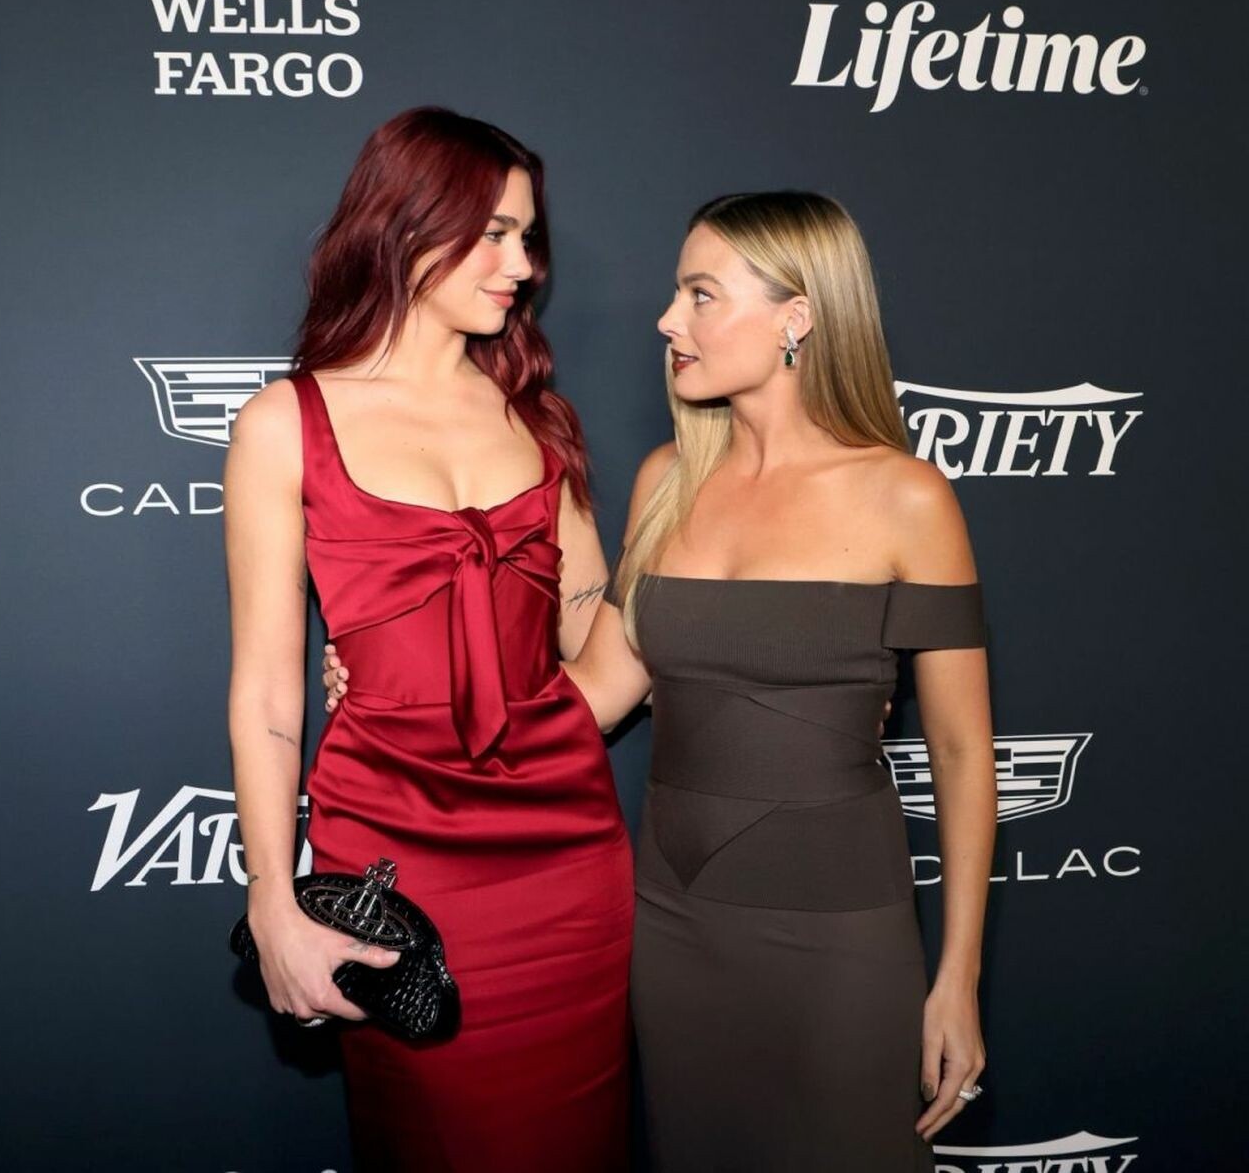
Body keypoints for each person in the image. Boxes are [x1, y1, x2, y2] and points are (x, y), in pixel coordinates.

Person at [326, 189, 996, 1170]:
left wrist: (958, 978)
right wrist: (409, 677)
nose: (668, 320)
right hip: (674, 924)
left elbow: (964, 753)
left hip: (838, 933)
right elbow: (591, 693)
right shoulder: (666, 482)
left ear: (798, 315)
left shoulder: (906, 496)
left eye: (700, 294)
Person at [223, 106, 630, 1172]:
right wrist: (272, 897)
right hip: (397, 867)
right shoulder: (285, 424)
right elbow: (267, 692)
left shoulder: (537, 418)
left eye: (527, 237)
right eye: (494, 234)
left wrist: (704, 524)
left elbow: (603, 644)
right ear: (406, 226)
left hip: (569, 867)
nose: (523, 266)